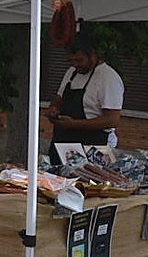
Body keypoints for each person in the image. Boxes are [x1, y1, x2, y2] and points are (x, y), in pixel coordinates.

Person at [45, 35, 124, 165]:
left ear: (93, 54)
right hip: (64, 142)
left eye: (79, 60)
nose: (75, 64)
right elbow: (59, 97)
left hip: (94, 146)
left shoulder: (108, 78)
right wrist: (54, 108)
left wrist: (73, 124)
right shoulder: (72, 72)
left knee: (87, 183)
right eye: (71, 61)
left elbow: (112, 120)